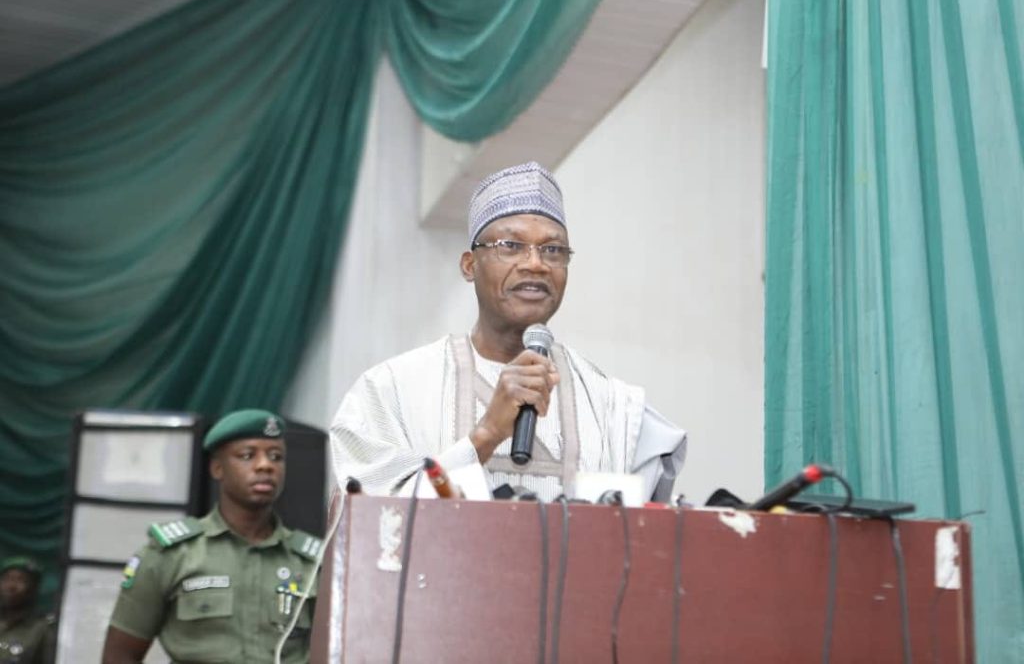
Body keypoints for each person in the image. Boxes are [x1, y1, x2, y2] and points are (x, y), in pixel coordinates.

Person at [329, 161, 686, 501]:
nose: (536, 264)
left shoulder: (615, 407)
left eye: (553, 249)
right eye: (511, 246)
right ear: (470, 265)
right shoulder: (390, 391)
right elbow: (371, 525)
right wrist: (485, 435)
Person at [101, 409, 322, 664]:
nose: (265, 465)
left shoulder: (313, 563)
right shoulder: (173, 555)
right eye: (247, 455)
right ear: (218, 468)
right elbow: (120, 654)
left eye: (276, 456)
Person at [0, 557, 55, 664]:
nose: (11, 586)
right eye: (7, 579)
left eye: (20, 580)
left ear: (33, 588)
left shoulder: (43, 629)